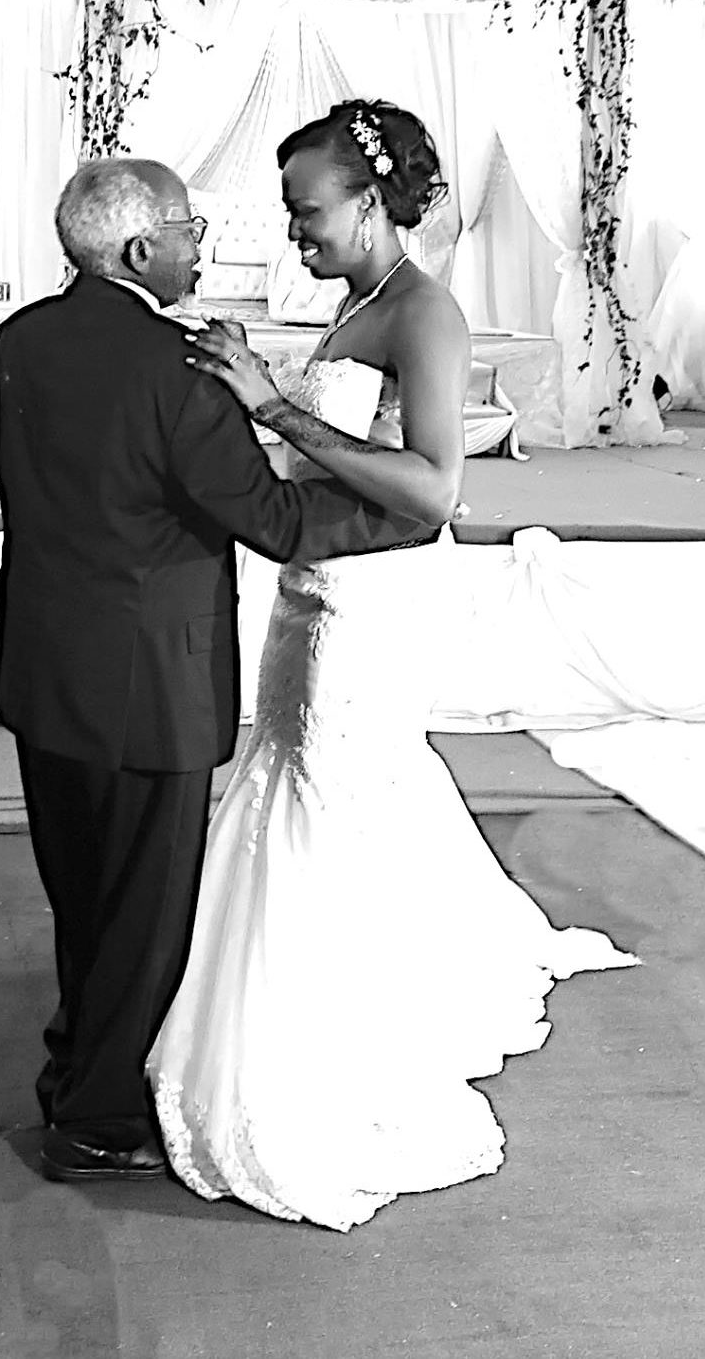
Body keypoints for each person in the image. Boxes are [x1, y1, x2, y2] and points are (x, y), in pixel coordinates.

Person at [163, 99, 637, 1230]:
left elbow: (430, 489)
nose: (295, 233)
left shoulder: (425, 312)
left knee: (328, 794)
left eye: (306, 209)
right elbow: (334, 461)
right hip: (315, 589)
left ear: (372, 204)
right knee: (301, 781)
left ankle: (319, 1038)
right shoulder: (356, 301)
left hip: (370, 603)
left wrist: (268, 401)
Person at [0, 156, 432, 1187]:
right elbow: (273, 521)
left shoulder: (24, 340)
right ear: (141, 249)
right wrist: (399, 515)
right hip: (151, 680)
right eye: (190, 230)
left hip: (45, 664)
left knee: (85, 895)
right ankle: (95, 1121)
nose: (204, 246)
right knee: (144, 915)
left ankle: (72, 1074)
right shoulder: (175, 369)